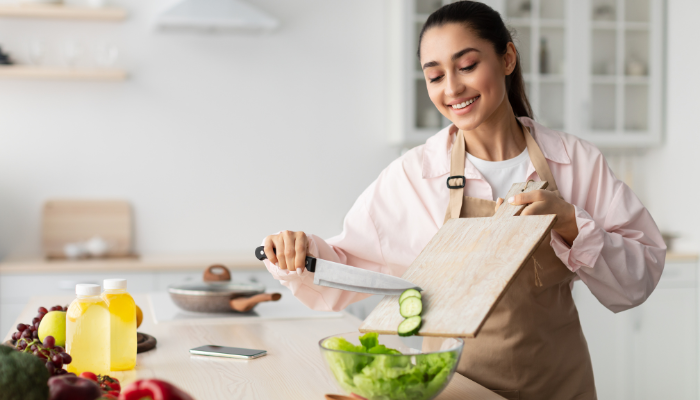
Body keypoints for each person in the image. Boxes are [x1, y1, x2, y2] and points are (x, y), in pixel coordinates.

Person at [260, 2, 665, 399]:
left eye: (467, 66)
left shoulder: (574, 161)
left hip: (560, 385)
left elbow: (639, 277)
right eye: (434, 76)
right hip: (456, 389)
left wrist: (572, 224)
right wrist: (298, 251)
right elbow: (344, 268)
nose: (452, 88)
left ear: (507, 58)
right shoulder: (414, 176)